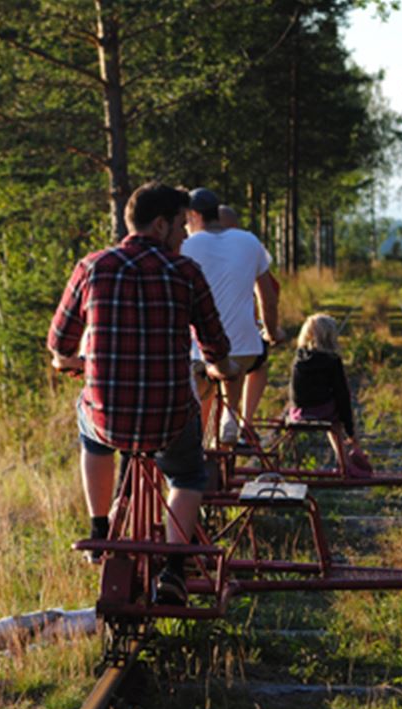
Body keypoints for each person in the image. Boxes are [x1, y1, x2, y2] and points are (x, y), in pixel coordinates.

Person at [47, 181, 235, 605]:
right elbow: (215, 346)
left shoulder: (92, 267)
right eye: (182, 228)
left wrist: (66, 362)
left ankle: (99, 527)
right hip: (168, 418)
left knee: (88, 425)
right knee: (188, 474)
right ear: (161, 224)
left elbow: (59, 343)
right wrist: (222, 370)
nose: (187, 237)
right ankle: (173, 567)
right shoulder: (185, 273)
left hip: (109, 419)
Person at [181, 189, 280, 445]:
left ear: (193, 215)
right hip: (242, 350)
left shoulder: (184, 246)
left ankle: (197, 441)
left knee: (201, 370)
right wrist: (271, 331)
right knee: (241, 356)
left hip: (197, 353)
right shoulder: (250, 241)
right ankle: (232, 415)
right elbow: (268, 298)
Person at [218, 204, 284, 426]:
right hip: (239, 345)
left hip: (200, 347)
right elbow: (269, 294)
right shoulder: (247, 246)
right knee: (258, 364)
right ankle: (244, 421)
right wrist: (271, 331)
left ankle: (207, 433)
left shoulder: (195, 246)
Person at [288, 313, 371, 476]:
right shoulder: (332, 361)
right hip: (321, 412)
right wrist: (351, 430)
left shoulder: (299, 358)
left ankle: (347, 459)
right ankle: (348, 459)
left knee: (328, 409)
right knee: (336, 417)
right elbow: (342, 396)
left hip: (298, 413)